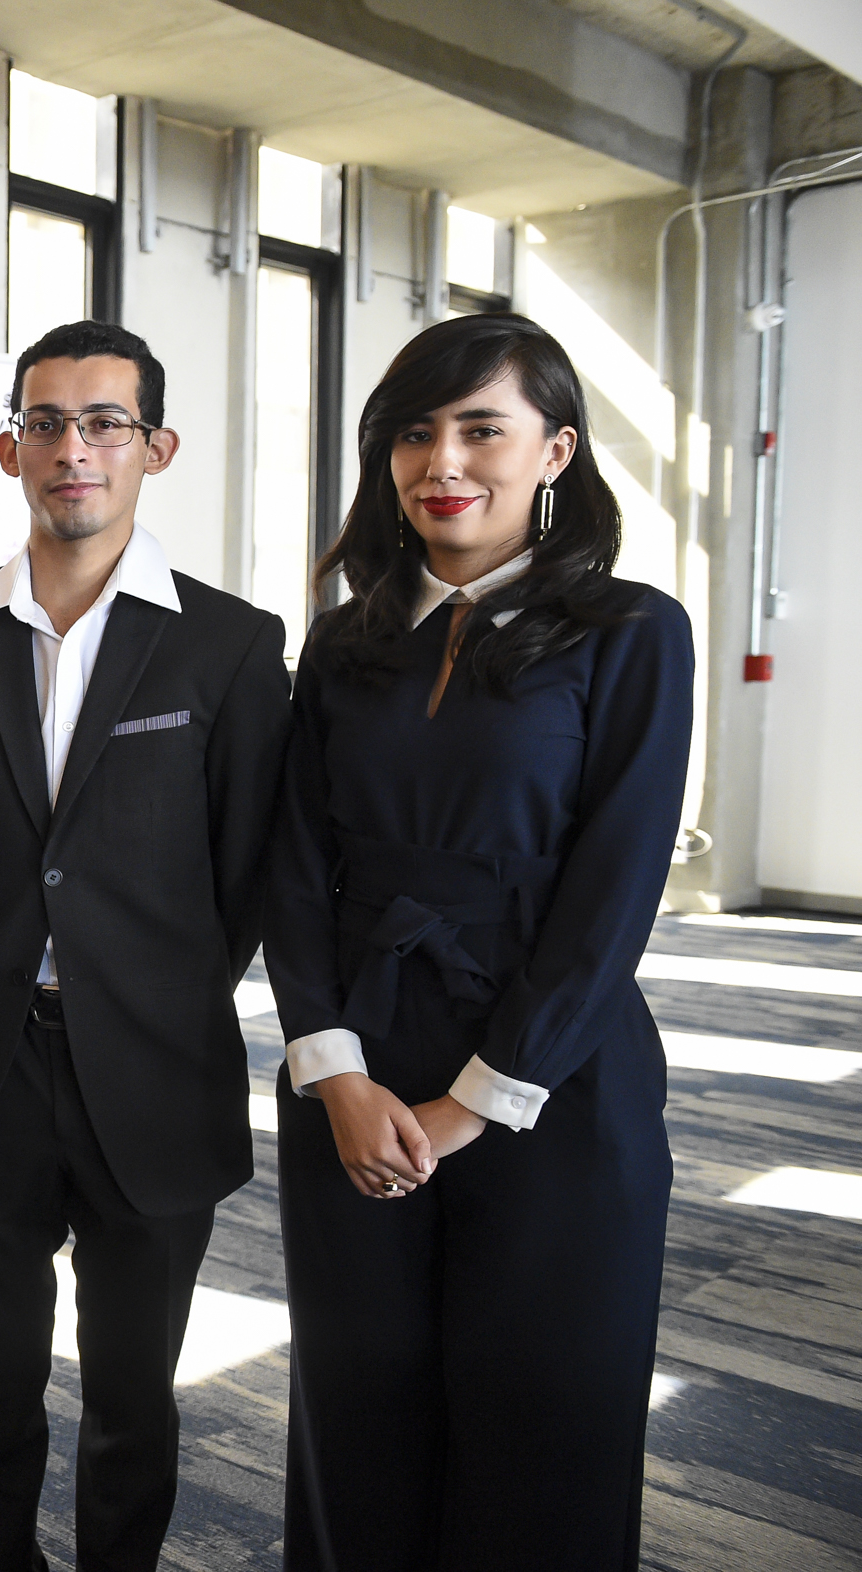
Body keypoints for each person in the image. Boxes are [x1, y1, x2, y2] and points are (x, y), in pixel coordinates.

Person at [262, 312, 692, 1569]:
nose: (441, 458)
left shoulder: (630, 632)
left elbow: (612, 897)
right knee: (360, 1416)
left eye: (478, 428)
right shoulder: (344, 641)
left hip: (553, 1077)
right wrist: (334, 1073)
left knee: (543, 1423)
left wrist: (472, 1105)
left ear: (554, 451)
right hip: (356, 1074)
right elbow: (292, 870)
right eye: (413, 432)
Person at [0, 321, 292, 1571]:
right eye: (47, 422)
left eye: (104, 422)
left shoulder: (230, 646)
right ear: (9, 446)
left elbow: (243, 881)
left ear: (154, 447)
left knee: (132, 1408)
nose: (74, 449)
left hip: (152, 1072)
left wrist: (135, 992)